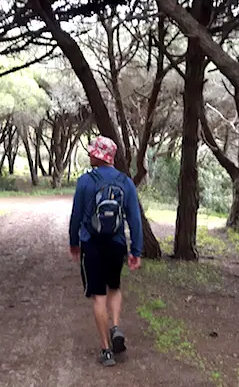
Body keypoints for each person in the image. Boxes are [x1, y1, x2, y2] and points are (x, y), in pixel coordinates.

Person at [68, 135, 143, 367]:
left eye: (92, 152)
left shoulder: (85, 182)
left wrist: (74, 242)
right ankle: (116, 326)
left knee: (98, 296)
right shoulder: (125, 182)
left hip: (92, 244)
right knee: (115, 287)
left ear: (98, 156)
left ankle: (105, 350)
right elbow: (135, 219)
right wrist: (136, 250)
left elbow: (76, 217)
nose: (90, 154)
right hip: (117, 244)